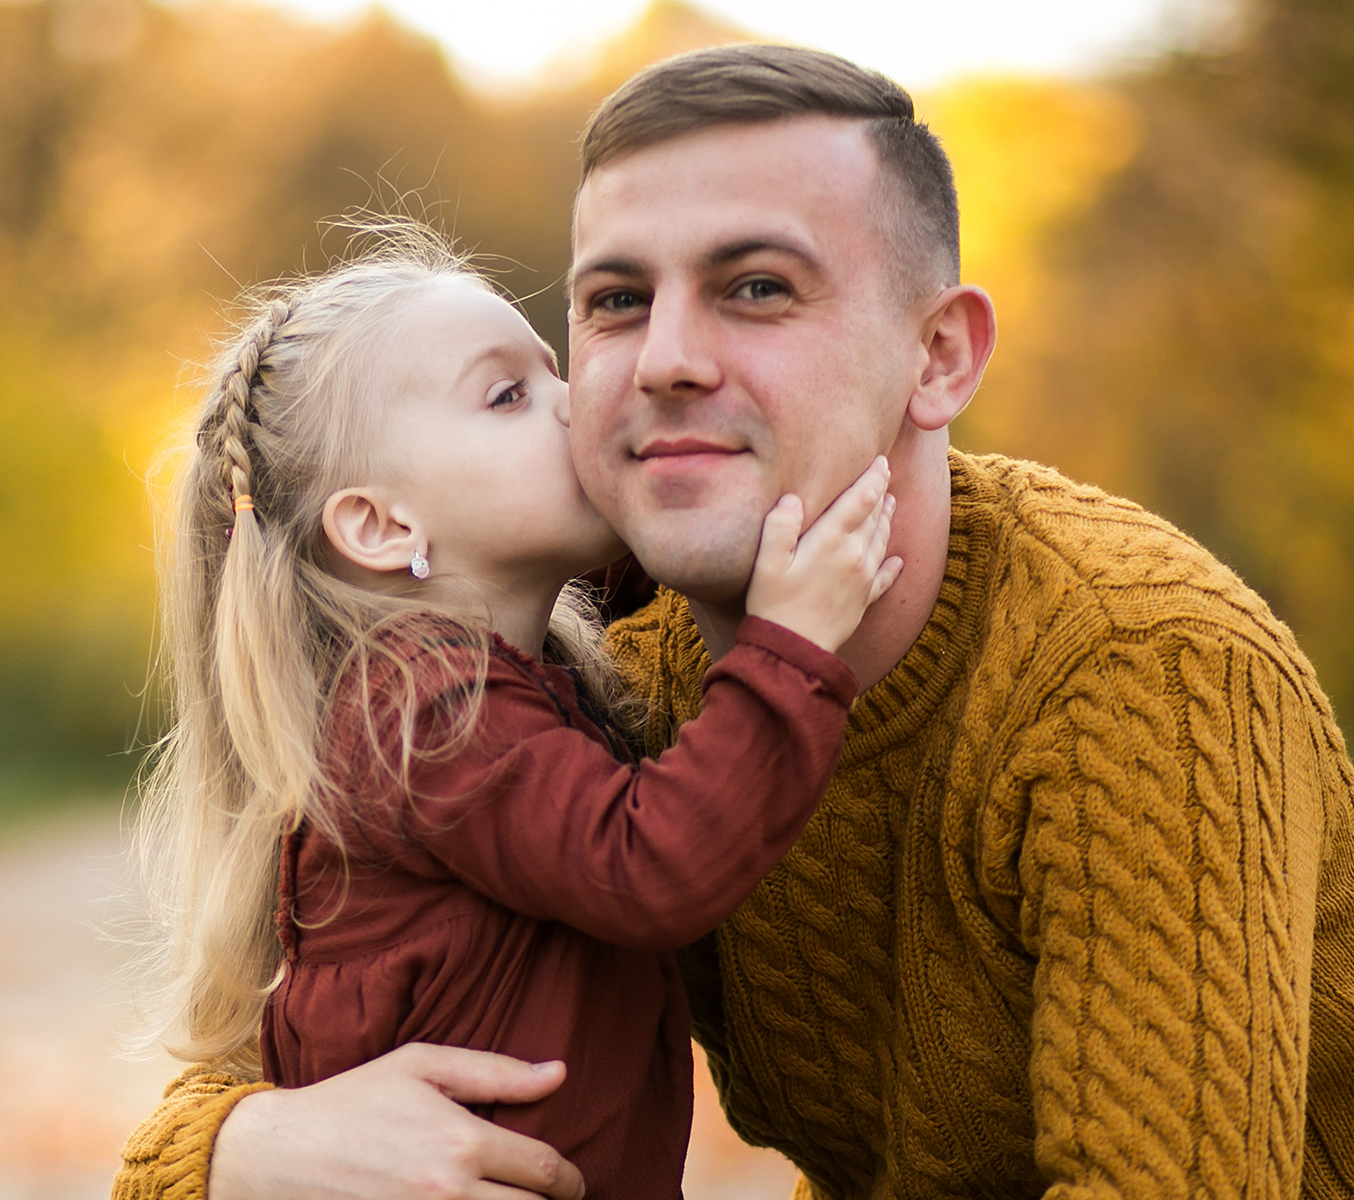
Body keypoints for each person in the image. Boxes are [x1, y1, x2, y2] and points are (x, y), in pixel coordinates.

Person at [116, 45, 1354, 1200]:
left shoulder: (1135, 669)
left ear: (938, 356)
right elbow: (274, 1055)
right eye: (613, 302)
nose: (664, 360)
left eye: (758, 288)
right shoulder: (622, 673)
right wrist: (251, 1147)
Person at [128, 225, 907, 1199]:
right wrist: (792, 641)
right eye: (508, 396)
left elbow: (655, 562)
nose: (577, 404)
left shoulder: (496, 670)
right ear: (382, 525)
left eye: (554, 371)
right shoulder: (420, 712)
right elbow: (653, 862)